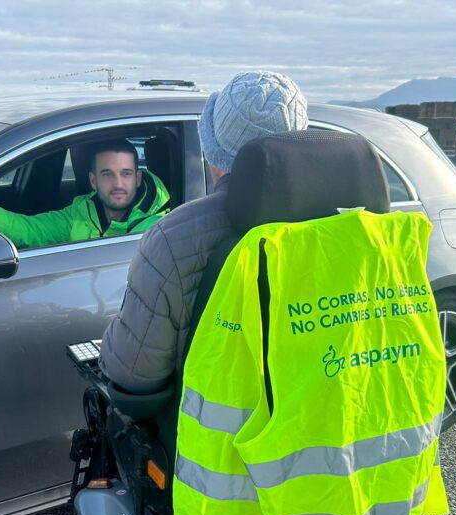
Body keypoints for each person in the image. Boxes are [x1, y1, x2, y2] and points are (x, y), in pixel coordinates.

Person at [99, 71, 308, 396]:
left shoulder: (171, 239)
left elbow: (133, 374)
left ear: (212, 153)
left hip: (214, 442)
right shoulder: (352, 229)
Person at [0, 139, 170, 248]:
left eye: (126, 173)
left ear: (138, 178)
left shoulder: (160, 229)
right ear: (93, 181)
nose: (118, 183)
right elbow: (27, 229)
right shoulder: (79, 215)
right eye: (107, 174)